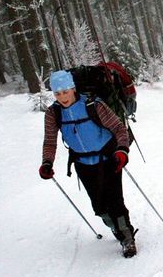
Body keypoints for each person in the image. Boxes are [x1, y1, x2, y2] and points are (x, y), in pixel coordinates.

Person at [39, 70, 138, 258]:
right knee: (99, 206)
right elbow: (50, 141)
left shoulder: (94, 105)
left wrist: (122, 150)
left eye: (66, 91)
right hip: (83, 163)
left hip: (109, 158)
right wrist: (47, 162)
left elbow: (118, 128)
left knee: (115, 200)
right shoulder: (53, 113)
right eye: (58, 93)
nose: (62, 97)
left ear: (73, 89)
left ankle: (126, 237)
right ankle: (115, 228)